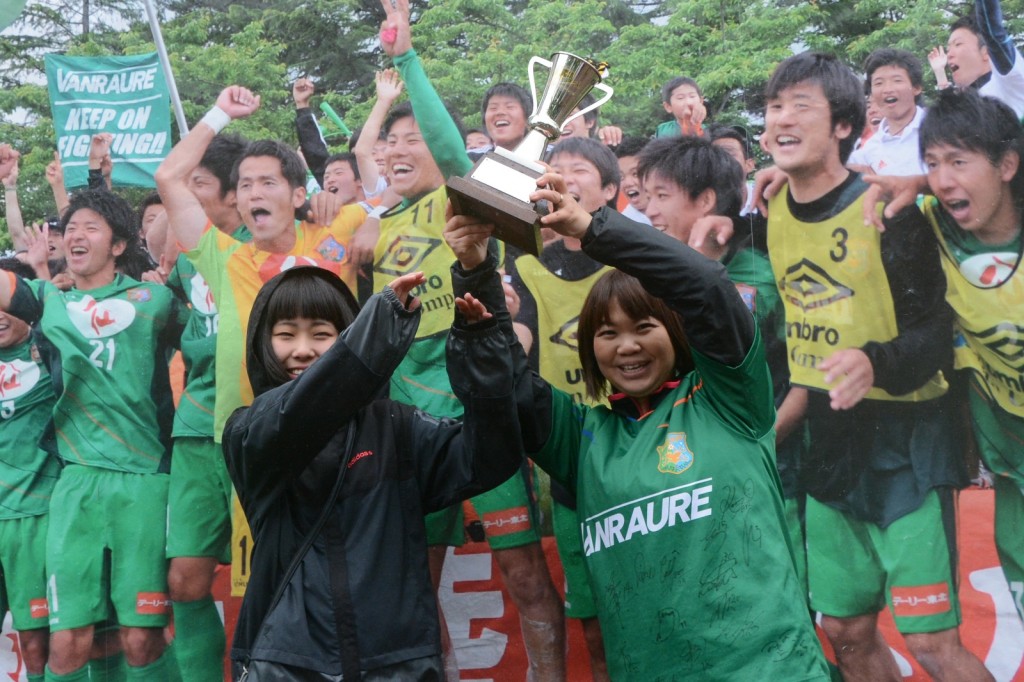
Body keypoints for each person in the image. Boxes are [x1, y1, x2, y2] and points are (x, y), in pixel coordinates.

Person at [446, 170, 830, 681]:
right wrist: (475, 270)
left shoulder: (730, 401)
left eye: (644, 327)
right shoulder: (583, 440)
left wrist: (593, 229)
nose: (626, 346)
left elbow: (707, 288)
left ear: (676, 331)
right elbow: (507, 384)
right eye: (607, 333)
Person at [761, 51, 991, 682]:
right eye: (774, 107)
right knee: (845, 632)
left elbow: (938, 333)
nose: (782, 118)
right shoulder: (767, 207)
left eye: (801, 105)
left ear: (844, 126)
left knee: (932, 643)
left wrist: (874, 362)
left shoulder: (887, 208)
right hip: (830, 444)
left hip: (909, 445)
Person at [375, 3, 566, 676]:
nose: (400, 150)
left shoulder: (464, 197)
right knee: (413, 585)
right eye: (390, 142)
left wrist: (405, 58)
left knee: (526, 576)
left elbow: (451, 148)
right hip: (409, 423)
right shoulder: (371, 228)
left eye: (413, 140)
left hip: (480, 411)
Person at [221, 264, 523, 680]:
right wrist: (379, 327)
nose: (303, 350)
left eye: (321, 334)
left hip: (399, 665)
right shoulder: (248, 431)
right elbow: (301, 408)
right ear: (261, 344)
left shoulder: (397, 427)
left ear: (345, 337)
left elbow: (489, 457)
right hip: (287, 666)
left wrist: (481, 351)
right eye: (286, 334)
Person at [0, 186, 187, 681]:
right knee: (67, 643)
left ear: (119, 244)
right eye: (71, 228)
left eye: (90, 227)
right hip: (77, 483)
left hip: (145, 480)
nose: (76, 235)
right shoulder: (50, 302)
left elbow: (208, 344)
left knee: (141, 638)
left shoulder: (155, 299)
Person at [505, 136, 619, 681]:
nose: (565, 179)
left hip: (635, 443)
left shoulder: (633, 256)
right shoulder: (528, 266)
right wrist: (496, 330)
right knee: (595, 630)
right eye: (555, 170)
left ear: (611, 189)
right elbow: (521, 337)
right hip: (573, 458)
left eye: (579, 170)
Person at [917, 88, 1024, 620]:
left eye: (959, 161)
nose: (942, 179)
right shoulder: (930, 222)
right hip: (1009, 460)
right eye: (932, 163)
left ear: (1007, 165)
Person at [0, 257, 61, 682]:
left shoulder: (50, 355)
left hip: (35, 517)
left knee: (39, 641)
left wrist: (42, 273)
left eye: (6, 305)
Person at [847, 49, 928, 176]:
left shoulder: (939, 129)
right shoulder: (868, 151)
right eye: (879, 83)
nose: (887, 89)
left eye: (897, 80)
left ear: (916, 88)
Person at [943, 0, 1024, 117]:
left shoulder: (1009, 83)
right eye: (948, 49)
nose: (949, 54)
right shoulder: (960, 109)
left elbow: (993, 32)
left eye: (958, 44)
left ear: (986, 51)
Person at [611, 136, 651, 226]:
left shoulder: (678, 209)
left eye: (635, 174)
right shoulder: (623, 226)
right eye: (621, 177)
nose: (627, 183)